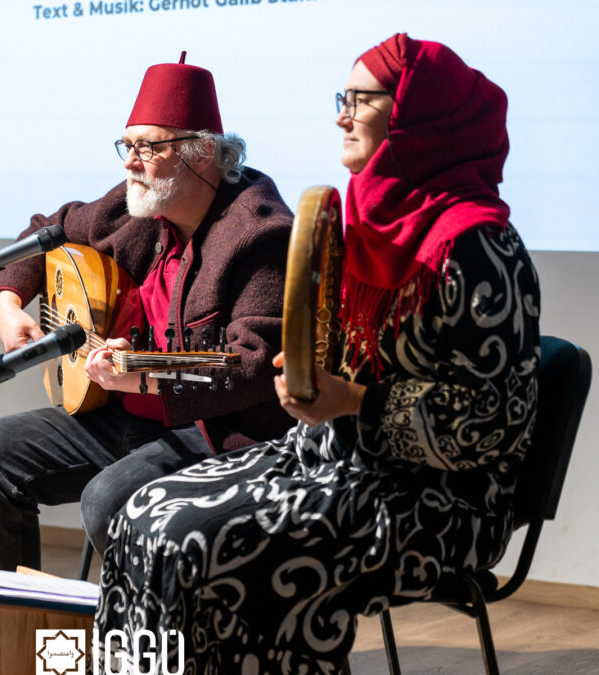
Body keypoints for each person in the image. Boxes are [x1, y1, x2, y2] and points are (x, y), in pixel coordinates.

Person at [95, 34, 541, 674]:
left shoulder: (477, 247)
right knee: (141, 512)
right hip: (337, 460)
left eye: (362, 100)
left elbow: (490, 423)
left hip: (436, 502)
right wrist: (307, 381)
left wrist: (352, 400)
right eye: (344, 97)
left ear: (417, 117)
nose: (342, 114)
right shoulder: (369, 222)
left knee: (187, 540)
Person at [0, 54, 296, 572]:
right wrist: (9, 303)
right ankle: (11, 633)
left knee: (111, 499)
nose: (130, 162)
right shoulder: (137, 209)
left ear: (204, 152)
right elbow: (48, 227)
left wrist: (141, 373)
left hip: (220, 435)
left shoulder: (258, 233)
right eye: (128, 145)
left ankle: (154, 646)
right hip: (127, 418)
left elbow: (252, 363)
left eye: (149, 146)